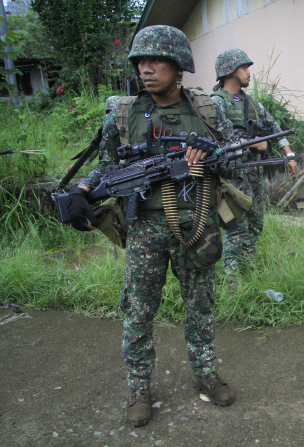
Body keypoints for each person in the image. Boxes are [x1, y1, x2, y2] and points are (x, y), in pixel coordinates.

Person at [66, 25, 237, 427]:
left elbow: (234, 159)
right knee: (139, 309)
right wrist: (82, 189)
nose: (146, 68)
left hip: (197, 223)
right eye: (141, 61)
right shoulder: (123, 113)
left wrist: (210, 160)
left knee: (200, 306)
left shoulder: (209, 110)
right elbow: (107, 163)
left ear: (178, 66)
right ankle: (138, 386)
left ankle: (207, 373)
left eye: (156, 60)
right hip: (144, 227)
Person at [210, 49, 297, 276]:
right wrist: (251, 144)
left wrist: (288, 153)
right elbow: (212, 140)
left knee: (256, 224)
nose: (249, 72)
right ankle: (232, 283)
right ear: (229, 71)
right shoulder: (216, 103)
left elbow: (274, 127)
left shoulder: (251, 103)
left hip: (254, 172)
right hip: (231, 176)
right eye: (244, 68)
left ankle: (249, 275)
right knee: (235, 227)